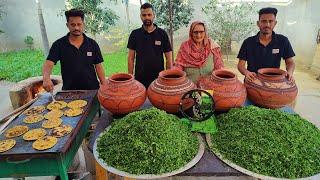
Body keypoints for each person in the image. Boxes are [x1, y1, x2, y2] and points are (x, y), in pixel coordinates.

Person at [42, 9, 106, 91]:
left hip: (92, 90)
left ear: (83, 24)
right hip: (69, 92)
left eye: (79, 24)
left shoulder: (92, 44)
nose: (76, 27)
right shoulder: (59, 44)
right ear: (67, 25)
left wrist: (104, 86)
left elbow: (98, 66)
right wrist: (46, 78)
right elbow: (49, 63)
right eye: (73, 25)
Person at [237, 7, 295, 82]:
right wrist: (246, 73)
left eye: (270, 21)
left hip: (274, 82)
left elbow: (290, 62)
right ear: (258, 23)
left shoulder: (283, 41)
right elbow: (240, 65)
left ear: (275, 23)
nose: (267, 24)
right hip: (252, 81)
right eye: (264, 21)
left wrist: (290, 72)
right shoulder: (248, 42)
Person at [127, 3, 173, 88]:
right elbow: (130, 58)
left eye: (149, 14)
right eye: (144, 15)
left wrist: (168, 78)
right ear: (140, 16)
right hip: (140, 80)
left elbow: (169, 58)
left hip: (159, 80)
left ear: (153, 15)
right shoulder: (135, 34)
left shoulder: (162, 34)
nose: (147, 17)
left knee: (157, 101)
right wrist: (130, 77)